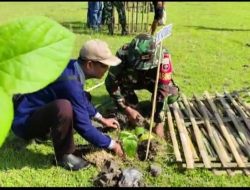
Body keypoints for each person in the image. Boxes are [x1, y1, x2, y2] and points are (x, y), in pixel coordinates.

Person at [11, 39, 124, 171]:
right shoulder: (70, 82)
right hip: (24, 123)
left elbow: (80, 97)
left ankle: (46, 133)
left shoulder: (73, 67)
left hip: (37, 112)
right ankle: (64, 156)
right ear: (89, 65)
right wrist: (112, 144)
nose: (107, 69)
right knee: (63, 107)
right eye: (104, 65)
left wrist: (101, 119)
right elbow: (84, 127)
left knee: (83, 97)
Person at [105, 33, 179, 138]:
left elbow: (164, 88)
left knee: (171, 94)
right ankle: (132, 104)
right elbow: (111, 82)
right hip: (131, 81)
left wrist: (159, 122)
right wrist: (127, 109)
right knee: (129, 106)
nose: (143, 68)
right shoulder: (123, 54)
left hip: (152, 81)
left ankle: (154, 106)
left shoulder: (163, 56)